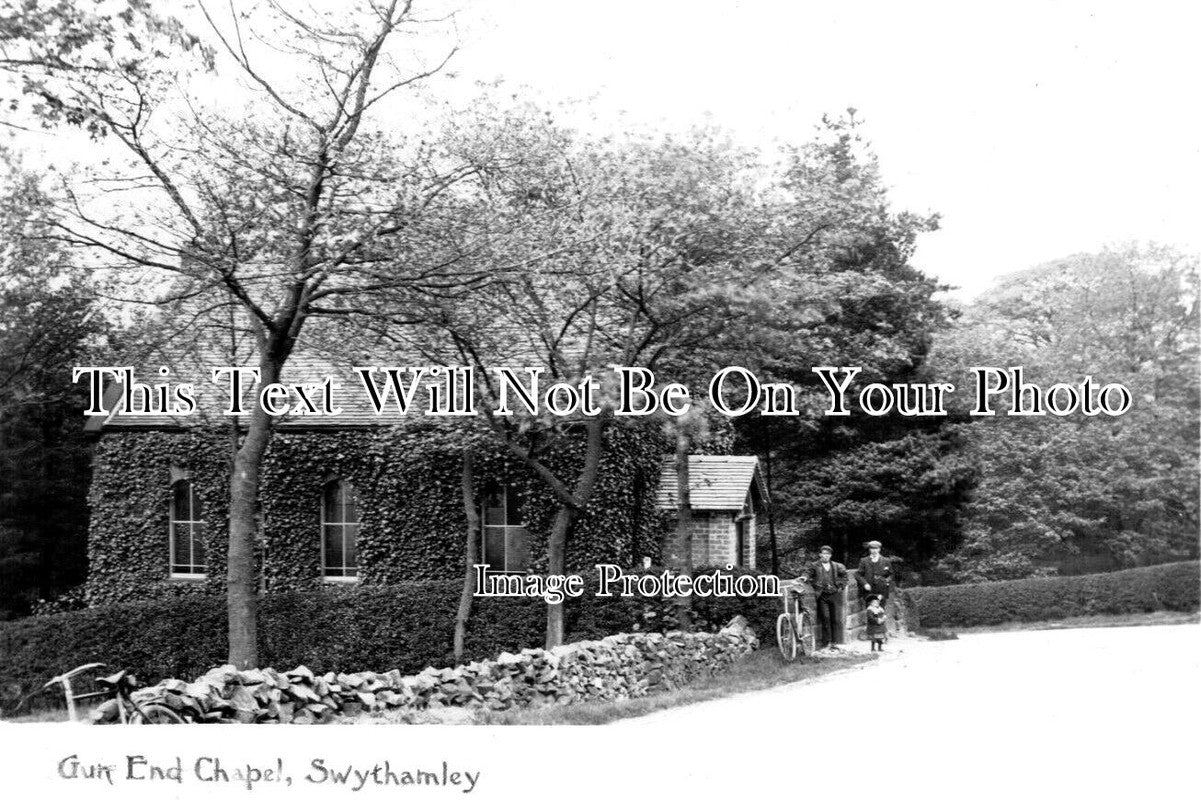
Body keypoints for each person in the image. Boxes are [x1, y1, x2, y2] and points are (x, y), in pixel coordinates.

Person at [807, 545, 847, 649]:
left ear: (830, 555)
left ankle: (834, 642)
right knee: (825, 618)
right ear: (820, 555)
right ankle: (826, 642)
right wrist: (804, 577)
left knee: (835, 619)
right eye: (823, 554)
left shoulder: (836, 566)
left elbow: (845, 576)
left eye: (828, 554)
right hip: (822, 595)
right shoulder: (814, 565)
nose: (825, 556)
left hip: (834, 595)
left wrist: (841, 586)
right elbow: (808, 573)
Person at [856, 540, 897, 607]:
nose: (874, 551)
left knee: (881, 611)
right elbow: (858, 574)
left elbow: (891, 574)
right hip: (869, 590)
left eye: (876, 548)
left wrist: (886, 580)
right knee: (870, 611)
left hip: (882, 590)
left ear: (879, 549)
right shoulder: (864, 560)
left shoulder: (886, 560)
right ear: (869, 549)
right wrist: (865, 584)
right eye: (872, 549)